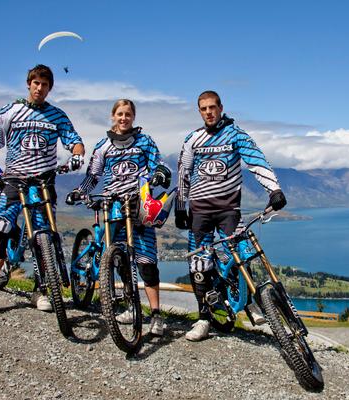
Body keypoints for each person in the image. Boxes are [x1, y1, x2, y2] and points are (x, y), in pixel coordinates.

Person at [0, 64, 85, 315]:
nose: (40, 88)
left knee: (44, 237)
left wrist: (77, 156)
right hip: (14, 181)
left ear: (50, 88)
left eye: (45, 84)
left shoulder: (58, 116)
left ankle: (40, 290)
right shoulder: (10, 112)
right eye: (36, 83)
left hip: (43, 183)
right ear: (28, 84)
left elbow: (75, 141)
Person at [175, 90, 287, 341]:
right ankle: (203, 319)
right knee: (198, 266)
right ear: (199, 111)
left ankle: (252, 303)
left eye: (212, 107)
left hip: (228, 210)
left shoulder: (236, 135)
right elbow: (183, 172)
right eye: (203, 108)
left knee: (242, 255)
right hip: (200, 212)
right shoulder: (192, 139)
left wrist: (275, 190)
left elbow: (256, 161)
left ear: (221, 107)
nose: (208, 112)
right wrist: (180, 208)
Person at [66, 99, 171, 337]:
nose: (124, 118)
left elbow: (159, 164)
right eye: (120, 114)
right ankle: (130, 306)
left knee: (147, 262)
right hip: (112, 206)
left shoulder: (144, 141)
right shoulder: (103, 145)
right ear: (113, 116)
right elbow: (93, 175)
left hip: (139, 205)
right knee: (119, 258)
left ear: (133, 117)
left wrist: (160, 175)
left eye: (128, 114)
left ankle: (155, 315)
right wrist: (80, 192)